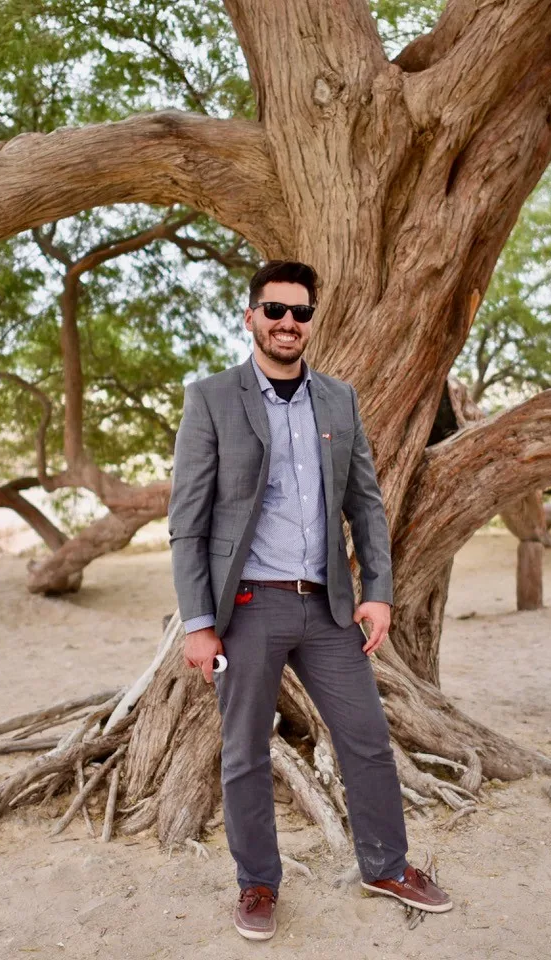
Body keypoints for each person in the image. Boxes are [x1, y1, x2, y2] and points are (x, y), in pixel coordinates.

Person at [168, 260, 452, 941]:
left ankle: (387, 865)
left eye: (300, 313)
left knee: (367, 740)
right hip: (248, 608)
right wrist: (200, 622)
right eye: (275, 311)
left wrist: (378, 593)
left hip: (328, 609)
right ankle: (258, 884)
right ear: (250, 317)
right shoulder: (211, 398)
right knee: (243, 753)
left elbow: (367, 505)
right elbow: (188, 518)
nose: (288, 323)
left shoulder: (338, 400)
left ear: (311, 322)